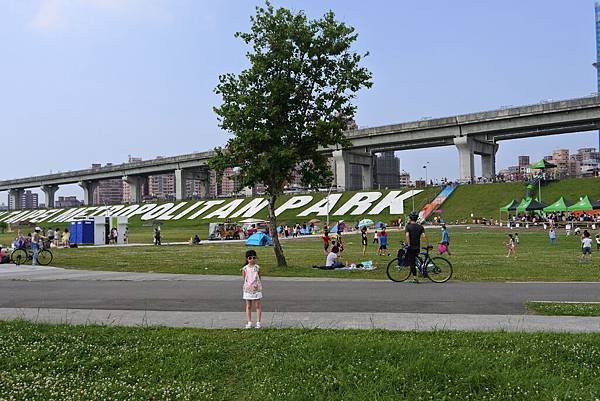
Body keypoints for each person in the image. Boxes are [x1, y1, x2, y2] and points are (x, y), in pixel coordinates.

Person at [241, 249, 262, 329]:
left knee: (258, 306)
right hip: (248, 289)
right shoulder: (245, 268)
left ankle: (258, 322)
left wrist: (257, 285)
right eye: (250, 258)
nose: (252, 260)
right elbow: (244, 278)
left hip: (256, 289)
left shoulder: (257, 267)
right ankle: (249, 322)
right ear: (247, 259)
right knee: (248, 306)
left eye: (254, 258)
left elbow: (259, 277)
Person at [405, 212, 428, 283]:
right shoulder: (420, 227)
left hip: (411, 247)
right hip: (417, 247)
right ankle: (422, 270)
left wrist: (408, 244)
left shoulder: (408, 226)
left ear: (410, 218)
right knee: (416, 258)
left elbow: (407, 235)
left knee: (412, 262)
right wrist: (427, 244)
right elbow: (424, 236)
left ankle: (415, 278)